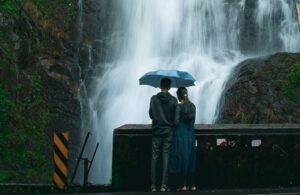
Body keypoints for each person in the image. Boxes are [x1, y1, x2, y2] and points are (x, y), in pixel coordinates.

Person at [149, 78, 178, 192]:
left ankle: (152, 185)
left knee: (154, 157)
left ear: (160, 86)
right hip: (168, 132)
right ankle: (163, 185)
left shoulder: (153, 99)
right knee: (166, 157)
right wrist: (170, 126)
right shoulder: (173, 100)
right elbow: (176, 121)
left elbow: (151, 115)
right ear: (170, 87)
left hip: (156, 131)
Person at [169, 87, 197, 191]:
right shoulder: (193, 106)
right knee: (190, 159)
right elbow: (193, 121)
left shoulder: (178, 107)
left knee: (181, 159)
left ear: (178, 96)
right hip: (190, 135)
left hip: (180, 136)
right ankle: (192, 185)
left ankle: (183, 185)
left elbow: (176, 122)